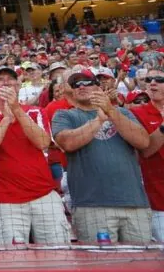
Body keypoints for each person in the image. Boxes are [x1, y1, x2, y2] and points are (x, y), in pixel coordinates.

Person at [52, 69, 151, 244]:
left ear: (98, 87)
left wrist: (111, 112)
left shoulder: (124, 113)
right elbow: (67, 143)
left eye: (87, 82)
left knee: (142, 264)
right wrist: (98, 120)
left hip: (134, 203)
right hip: (92, 205)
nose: (81, 86)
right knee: (100, 265)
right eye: (76, 84)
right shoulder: (64, 115)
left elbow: (143, 142)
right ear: (71, 90)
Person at [0, 65, 70, 246]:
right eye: (0, 80)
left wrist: (17, 110)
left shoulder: (35, 112)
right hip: (6, 200)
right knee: (11, 259)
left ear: (18, 85)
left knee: (58, 253)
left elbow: (42, 142)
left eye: (10, 79)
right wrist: (6, 120)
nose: (6, 83)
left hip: (43, 195)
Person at [128, 67, 164, 241]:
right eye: (149, 80)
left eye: (159, 80)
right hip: (158, 197)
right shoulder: (137, 113)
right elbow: (146, 150)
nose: (153, 83)